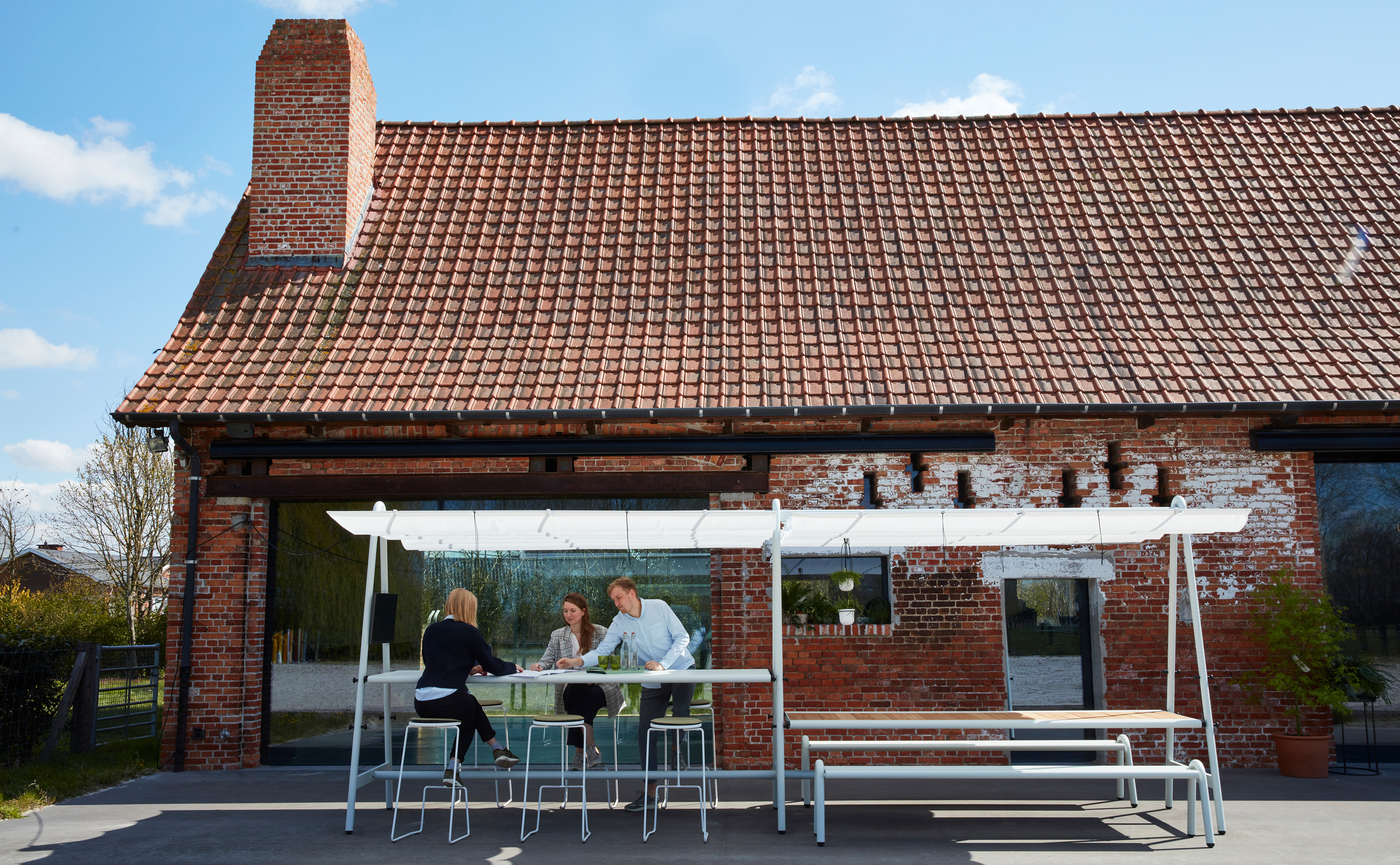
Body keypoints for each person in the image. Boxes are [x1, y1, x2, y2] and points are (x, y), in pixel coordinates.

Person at [557, 577, 694, 813]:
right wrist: (577, 660)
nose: (616, 603)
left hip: (680, 668)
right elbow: (603, 650)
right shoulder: (618, 622)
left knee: (680, 714)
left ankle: (676, 752)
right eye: (613, 600)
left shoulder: (659, 607)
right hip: (651, 678)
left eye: (619, 597)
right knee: (646, 732)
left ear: (632, 594)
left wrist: (663, 664)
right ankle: (650, 795)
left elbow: (683, 638)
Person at [414, 588, 522, 781]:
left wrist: (465, 669)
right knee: (468, 712)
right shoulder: (469, 631)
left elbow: (435, 663)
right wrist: (513, 667)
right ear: (469, 608)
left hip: (421, 701)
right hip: (447, 699)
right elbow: (492, 665)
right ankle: (458, 766)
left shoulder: (431, 630)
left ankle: (496, 749)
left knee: (469, 704)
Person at [530, 592, 624, 769]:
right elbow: (546, 660)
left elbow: (610, 663)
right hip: (572, 689)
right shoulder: (558, 635)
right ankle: (591, 750)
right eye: (565, 611)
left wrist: (592, 677)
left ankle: (580, 754)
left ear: (583, 611)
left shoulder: (601, 632)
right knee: (578, 693)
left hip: (600, 687)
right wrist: (538, 666)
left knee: (581, 696)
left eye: (572, 610)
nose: (568, 615)